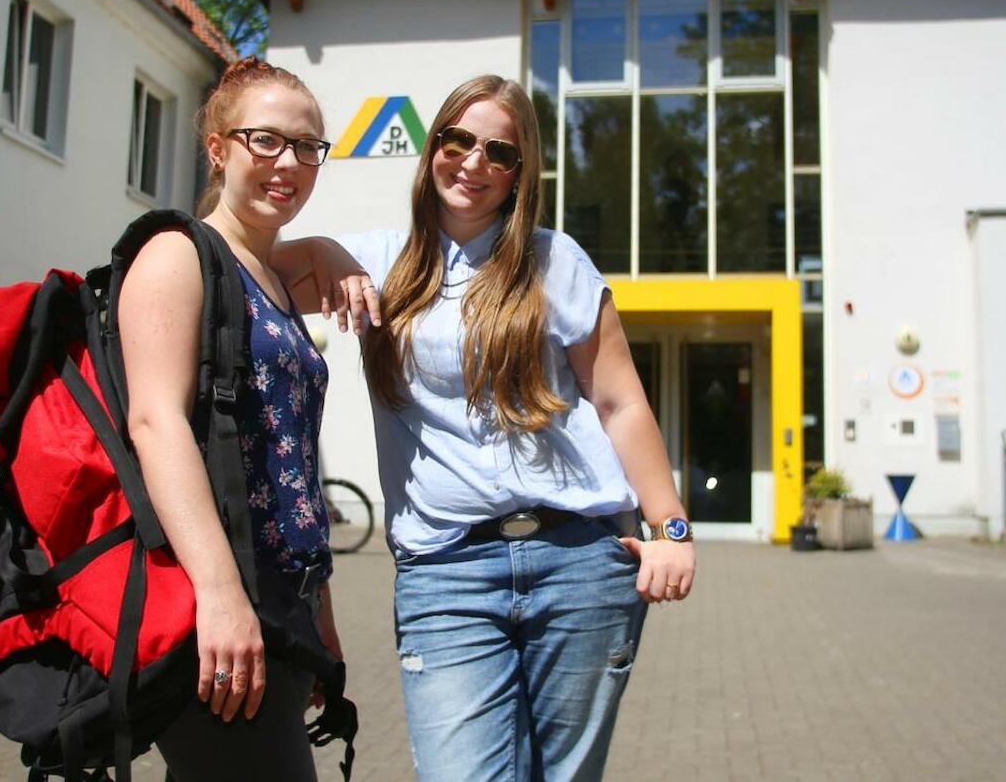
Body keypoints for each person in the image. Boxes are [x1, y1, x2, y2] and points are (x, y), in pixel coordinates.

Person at [275, 74, 695, 782]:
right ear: (433, 145)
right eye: (458, 140)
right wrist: (317, 246)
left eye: (499, 152)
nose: (473, 163)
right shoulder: (374, 263)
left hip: (582, 564)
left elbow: (620, 401)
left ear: (520, 173)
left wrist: (671, 530)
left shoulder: (555, 261)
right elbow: (231, 267)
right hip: (446, 571)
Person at [118, 57, 341, 782]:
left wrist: (322, 620)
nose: (290, 163)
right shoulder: (176, 256)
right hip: (219, 608)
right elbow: (155, 423)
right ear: (218, 149)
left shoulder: (270, 277)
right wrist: (218, 598)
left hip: (282, 606)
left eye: (308, 146)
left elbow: (293, 459)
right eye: (266, 141)